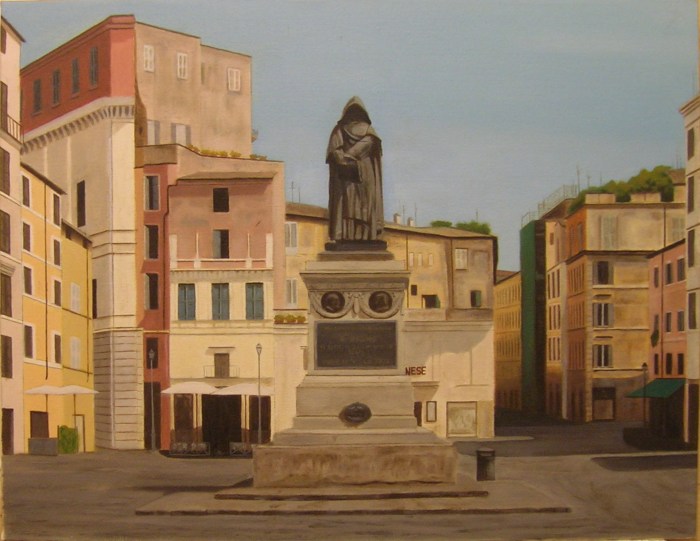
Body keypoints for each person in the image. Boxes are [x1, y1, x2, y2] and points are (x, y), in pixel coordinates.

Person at [326, 97, 383, 242]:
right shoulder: (365, 131)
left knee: (360, 205)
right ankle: (350, 235)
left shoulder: (340, 131)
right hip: (351, 174)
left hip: (359, 175)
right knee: (348, 205)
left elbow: (337, 152)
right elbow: (335, 151)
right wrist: (345, 159)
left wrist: (345, 158)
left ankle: (361, 236)